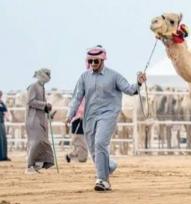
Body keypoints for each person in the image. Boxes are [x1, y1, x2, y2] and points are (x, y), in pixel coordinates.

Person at [67, 46, 146, 192]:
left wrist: (139, 83)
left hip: (108, 115)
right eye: (90, 61)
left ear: (102, 59)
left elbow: (130, 89)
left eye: (95, 60)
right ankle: (109, 165)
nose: (93, 63)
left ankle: (103, 180)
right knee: (93, 148)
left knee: (100, 143)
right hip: (89, 116)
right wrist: (70, 115)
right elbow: (77, 97)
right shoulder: (84, 77)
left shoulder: (114, 76)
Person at [25, 68, 55, 174]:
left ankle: (38, 164)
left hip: (41, 119)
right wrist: (44, 105)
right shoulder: (33, 86)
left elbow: (41, 103)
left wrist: (47, 108)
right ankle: (29, 166)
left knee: (43, 142)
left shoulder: (42, 87)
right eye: (47, 74)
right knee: (36, 142)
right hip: (32, 119)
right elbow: (30, 101)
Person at [65, 99, 88, 163]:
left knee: (80, 143)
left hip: (82, 121)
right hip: (78, 121)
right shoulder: (80, 98)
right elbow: (79, 109)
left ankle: (70, 156)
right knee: (80, 143)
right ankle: (77, 157)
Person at [0, 90, 11, 162]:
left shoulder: (2, 103)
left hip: (2, 122)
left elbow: (5, 110)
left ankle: (4, 156)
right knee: (0, 139)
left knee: (3, 139)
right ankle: (1, 156)